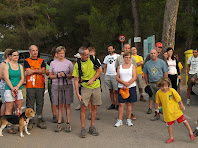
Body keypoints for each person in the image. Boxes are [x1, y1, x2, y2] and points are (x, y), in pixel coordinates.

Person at [73, 46, 102, 138]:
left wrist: (93, 79)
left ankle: (92, 126)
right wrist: (77, 93)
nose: (87, 56)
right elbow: (76, 80)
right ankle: (82, 128)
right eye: (85, 55)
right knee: (83, 108)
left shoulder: (93, 59)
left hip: (96, 86)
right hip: (85, 87)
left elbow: (100, 70)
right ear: (81, 55)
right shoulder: (78, 64)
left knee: (94, 107)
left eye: (88, 54)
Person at [155, 77, 195, 143]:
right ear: (159, 86)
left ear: (168, 85)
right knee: (169, 125)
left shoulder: (172, 90)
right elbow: (158, 102)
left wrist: (181, 104)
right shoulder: (158, 93)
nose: (164, 88)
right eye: (162, 86)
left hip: (176, 110)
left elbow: (178, 98)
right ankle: (171, 137)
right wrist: (159, 108)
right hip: (167, 112)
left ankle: (191, 132)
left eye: (166, 86)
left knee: (184, 120)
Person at [49, 46, 74, 132]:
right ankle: (59, 123)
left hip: (67, 85)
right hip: (56, 85)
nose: (61, 55)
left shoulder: (69, 63)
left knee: (67, 105)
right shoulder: (53, 63)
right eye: (60, 53)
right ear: (57, 54)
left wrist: (65, 75)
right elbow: (50, 75)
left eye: (63, 53)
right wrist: (57, 76)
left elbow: (73, 75)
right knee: (59, 105)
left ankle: (68, 123)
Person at [24, 45, 47, 130]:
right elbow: (27, 72)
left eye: (36, 50)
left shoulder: (41, 61)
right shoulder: (26, 61)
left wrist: (33, 71)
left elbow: (43, 71)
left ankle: (39, 120)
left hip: (40, 85)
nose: (35, 52)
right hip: (30, 85)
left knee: (40, 103)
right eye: (33, 50)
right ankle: (30, 121)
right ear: (30, 52)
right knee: (30, 103)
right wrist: (38, 71)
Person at [143, 49, 168, 120]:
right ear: (149, 54)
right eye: (151, 53)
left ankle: (166, 116)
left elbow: (165, 72)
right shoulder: (147, 63)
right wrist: (147, 83)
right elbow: (145, 73)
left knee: (163, 99)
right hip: (151, 84)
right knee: (153, 99)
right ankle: (157, 114)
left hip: (160, 84)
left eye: (154, 53)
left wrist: (165, 83)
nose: (153, 54)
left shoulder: (162, 62)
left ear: (157, 54)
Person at [4, 49, 24, 133]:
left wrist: (17, 87)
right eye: (14, 55)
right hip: (9, 89)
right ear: (10, 56)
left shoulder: (20, 66)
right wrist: (12, 88)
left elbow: (22, 78)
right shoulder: (7, 65)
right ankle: (9, 126)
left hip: (18, 89)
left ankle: (18, 124)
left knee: (19, 108)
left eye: (17, 55)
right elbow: (6, 78)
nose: (16, 57)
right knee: (9, 108)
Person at [114, 52, 137, 127]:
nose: (127, 59)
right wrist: (124, 83)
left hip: (131, 87)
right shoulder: (120, 67)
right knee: (121, 104)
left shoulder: (133, 66)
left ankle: (128, 119)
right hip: (122, 87)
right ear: (123, 58)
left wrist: (128, 84)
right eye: (126, 57)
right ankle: (119, 120)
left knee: (129, 104)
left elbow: (134, 77)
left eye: (129, 57)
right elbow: (117, 77)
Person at [103, 44, 119, 110]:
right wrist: (105, 73)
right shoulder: (106, 57)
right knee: (110, 90)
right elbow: (105, 66)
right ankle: (113, 103)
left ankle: (117, 104)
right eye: (109, 49)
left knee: (116, 91)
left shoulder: (117, 56)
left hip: (115, 75)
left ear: (114, 49)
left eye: (111, 49)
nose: (110, 50)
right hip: (108, 75)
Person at [46, 47, 58, 123]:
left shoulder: (64, 61)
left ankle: (60, 115)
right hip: (52, 82)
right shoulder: (50, 62)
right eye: (58, 53)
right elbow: (47, 72)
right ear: (54, 54)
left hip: (61, 82)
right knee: (53, 100)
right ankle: (54, 115)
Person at [0, 49, 12, 116]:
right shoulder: (3, 64)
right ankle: (2, 119)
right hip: (4, 86)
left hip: (11, 86)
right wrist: (7, 77)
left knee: (10, 104)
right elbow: (0, 76)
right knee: (5, 103)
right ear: (8, 55)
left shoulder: (12, 64)